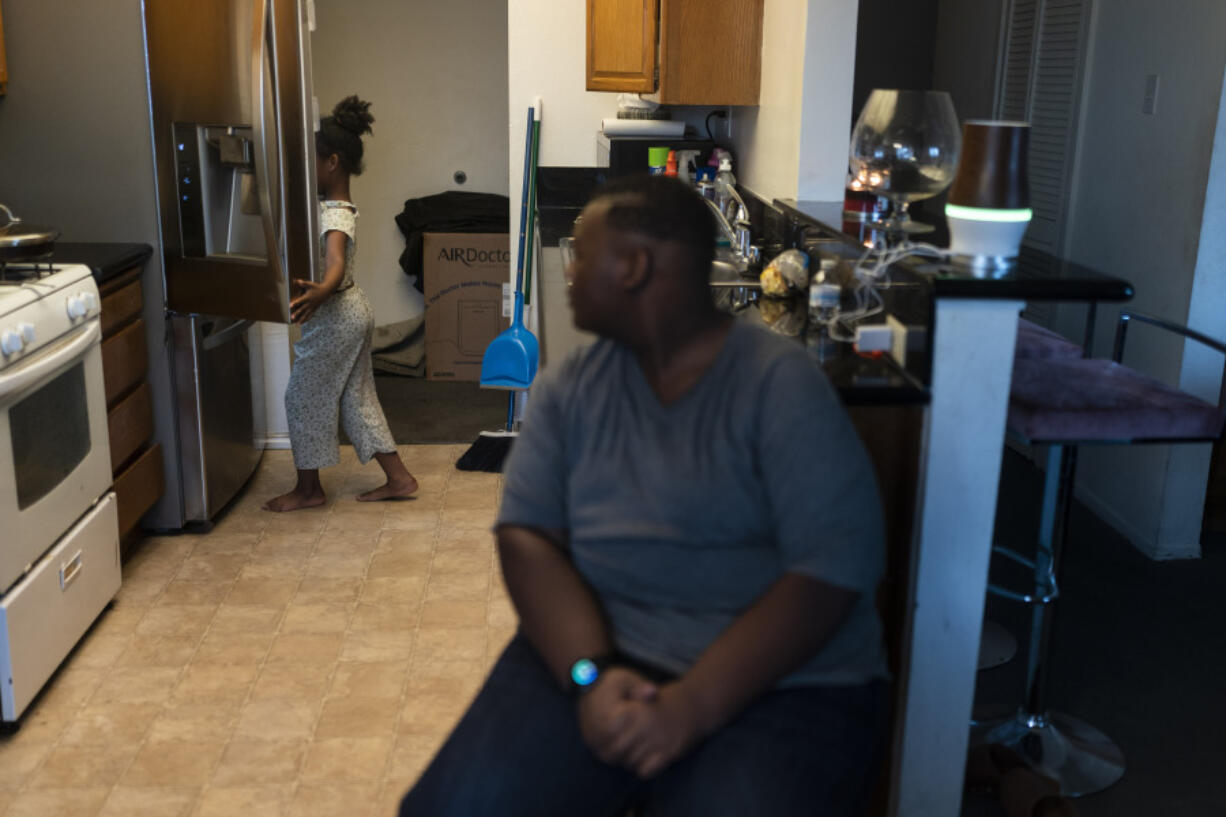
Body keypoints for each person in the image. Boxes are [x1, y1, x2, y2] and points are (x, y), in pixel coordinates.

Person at [400, 175, 890, 816]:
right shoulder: (568, 387)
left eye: (582, 253)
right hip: (602, 648)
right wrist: (589, 677)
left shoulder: (779, 386)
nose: (569, 269)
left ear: (633, 267)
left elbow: (829, 576)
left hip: (787, 684)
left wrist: (691, 707)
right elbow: (528, 538)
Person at [264, 96, 418, 512]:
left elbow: (334, 261)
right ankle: (399, 478)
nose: (306, 170)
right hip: (352, 312)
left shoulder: (334, 215)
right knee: (356, 398)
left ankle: (309, 489)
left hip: (337, 317)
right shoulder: (337, 207)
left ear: (332, 162)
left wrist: (320, 290)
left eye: (310, 161)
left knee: (303, 396)